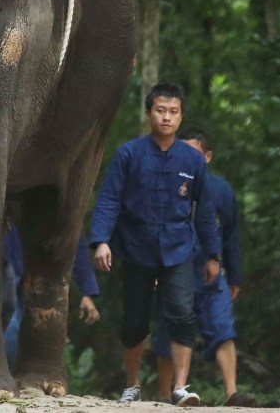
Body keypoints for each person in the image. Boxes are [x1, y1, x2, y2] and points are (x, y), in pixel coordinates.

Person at [88, 83, 221, 406]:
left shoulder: (193, 160)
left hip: (178, 249)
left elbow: (204, 210)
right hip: (135, 246)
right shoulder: (129, 154)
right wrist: (100, 240)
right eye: (160, 110)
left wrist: (214, 254)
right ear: (148, 113)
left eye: (173, 112)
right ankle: (132, 384)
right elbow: (109, 200)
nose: (166, 117)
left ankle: (180, 387)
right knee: (135, 321)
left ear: (180, 116)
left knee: (182, 315)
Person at [151, 129, 257, 407]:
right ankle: (166, 393)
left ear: (207, 157)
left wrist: (234, 275)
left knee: (223, 328)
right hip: (173, 269)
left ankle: (232, 392)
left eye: (194, 153)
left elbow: (231, 234)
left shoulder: (221, 190)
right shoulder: (166, 186)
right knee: (168, 330)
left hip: (212, 274)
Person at [2, 226, 99, 366]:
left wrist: (87, 291)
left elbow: (72, 236)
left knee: (40, 337)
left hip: (40, 279)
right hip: (5, 272)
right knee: (11, 329)